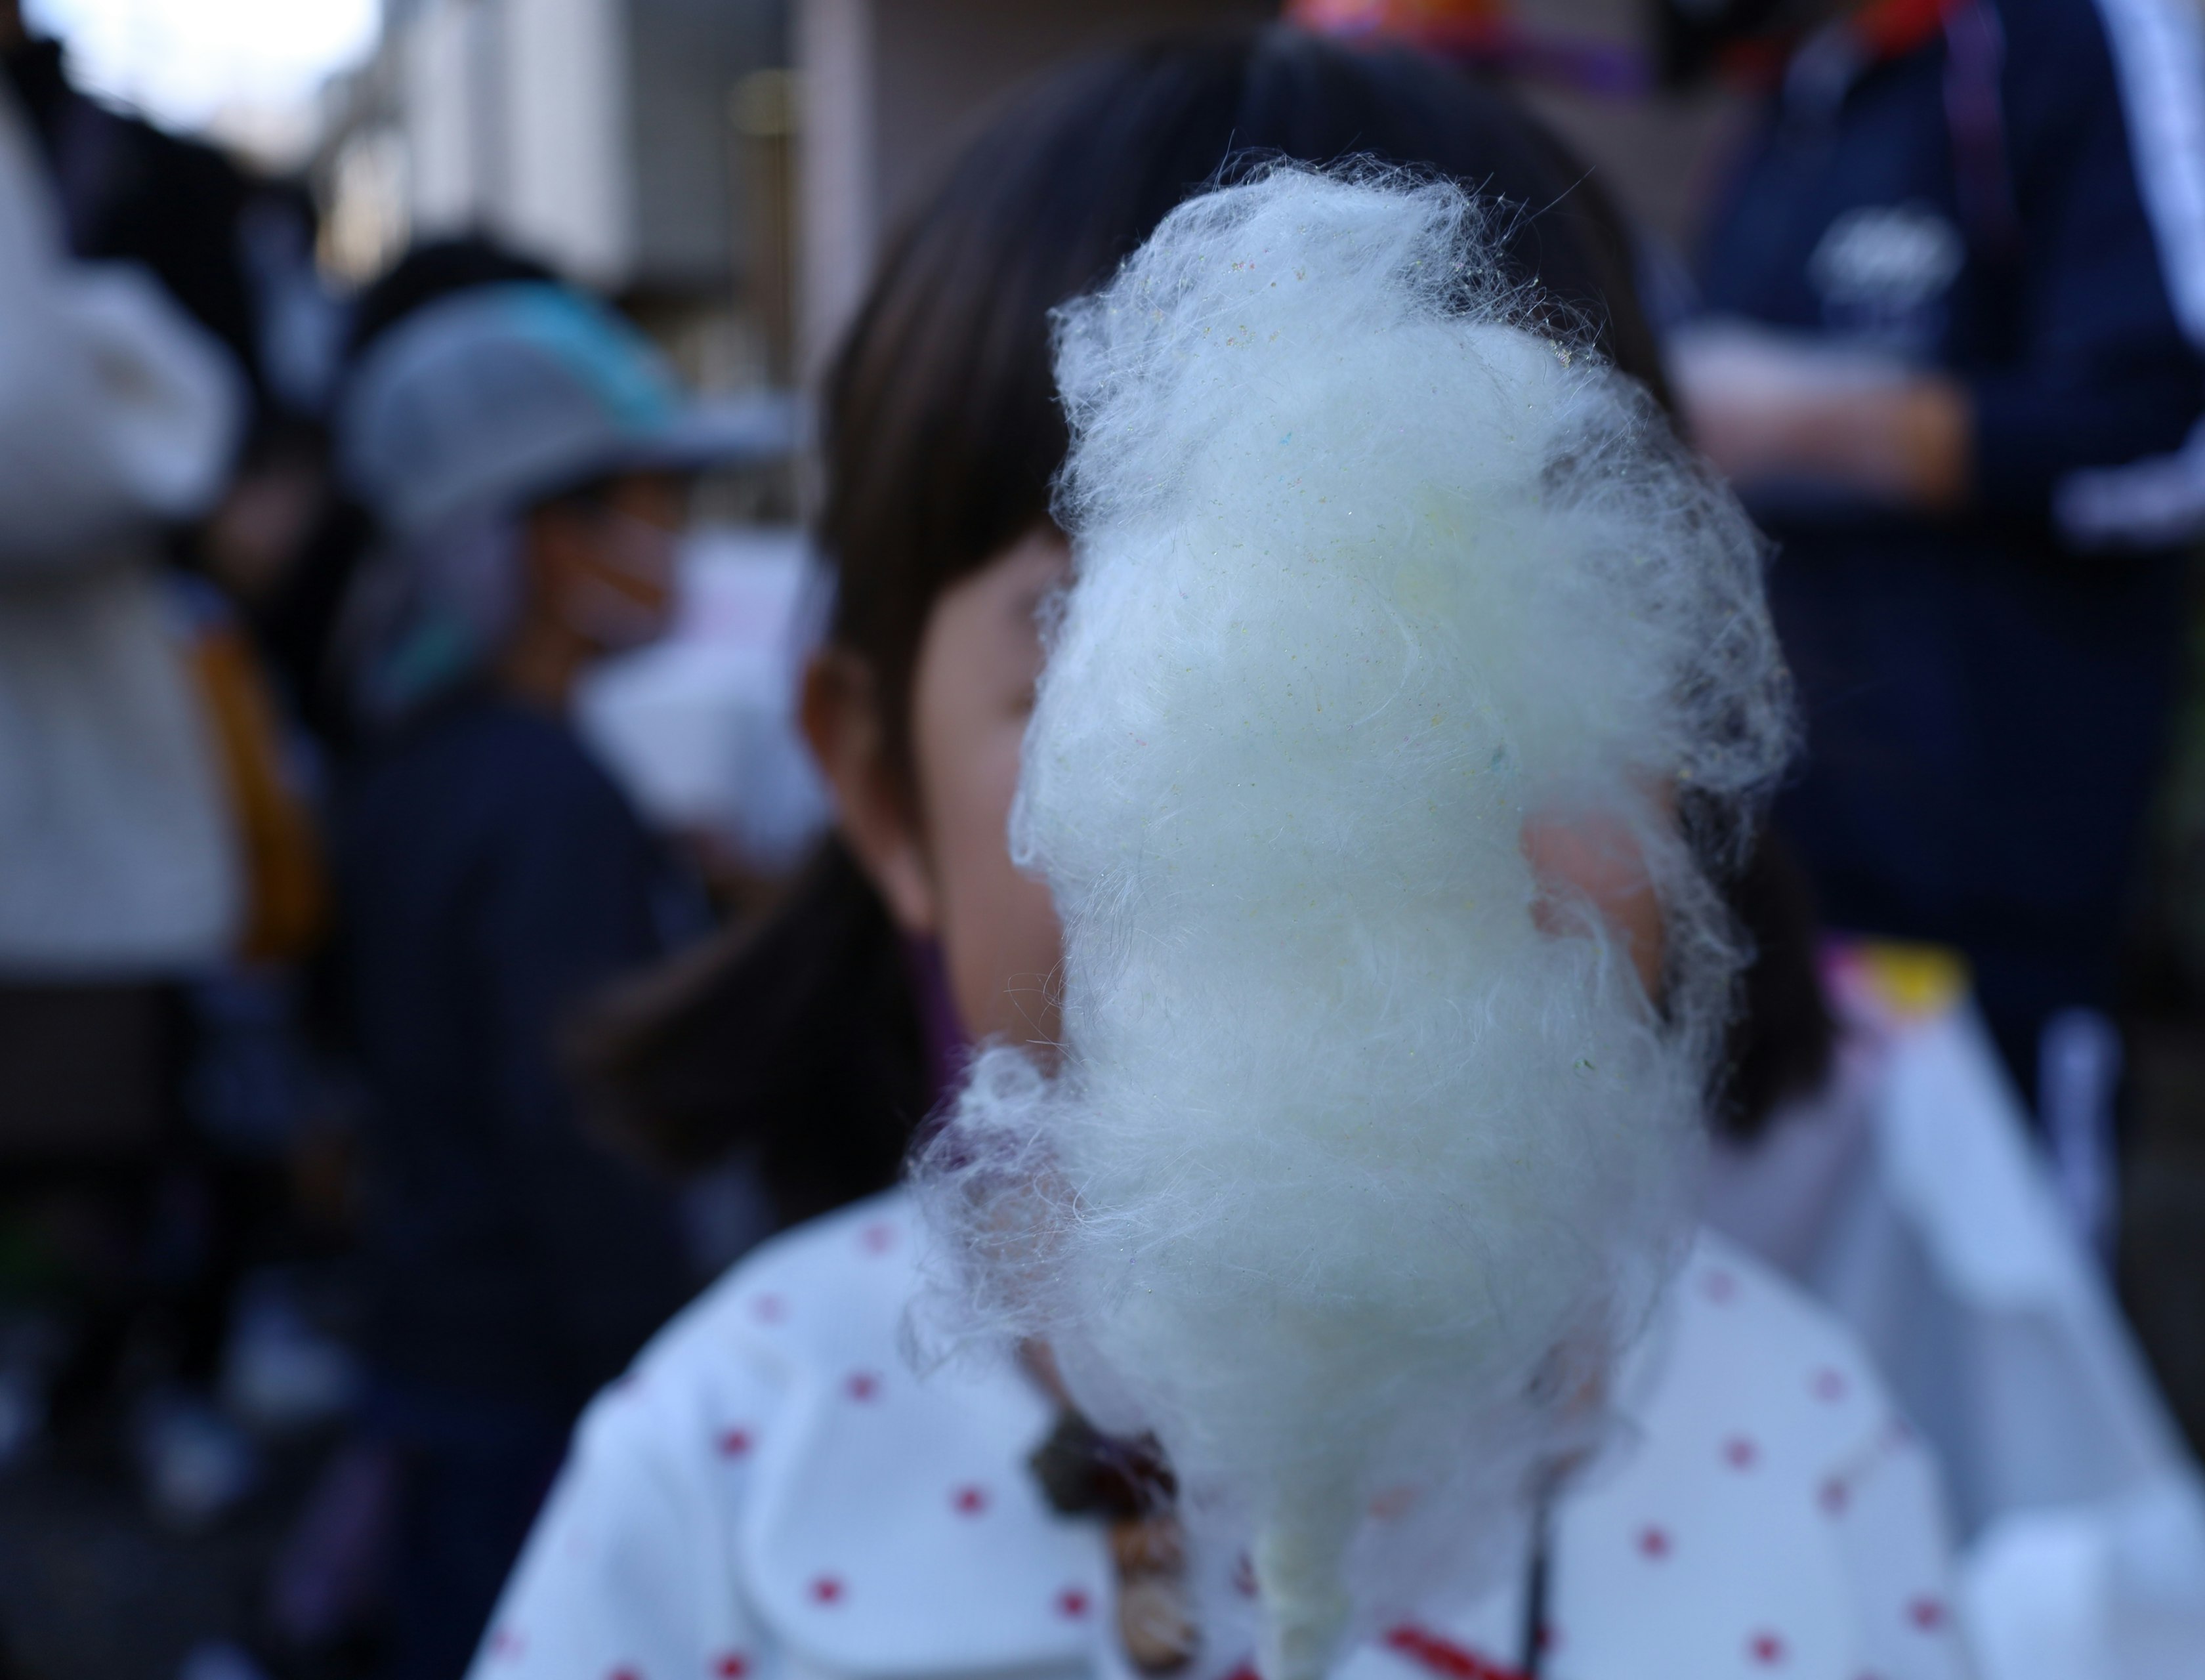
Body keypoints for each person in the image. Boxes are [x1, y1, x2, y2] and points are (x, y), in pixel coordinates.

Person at [475, 30, 1972, 1680]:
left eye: (1499, 681)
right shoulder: (729, 1468)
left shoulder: (1811, 1461)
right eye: (1098, 658)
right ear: (885, 798)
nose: (1371, 827)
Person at [1662, 0, 2205, 1243]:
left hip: (1982, 934)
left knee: (2003, 1390)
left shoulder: (2077, 40)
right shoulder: (1805, 82)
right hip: (1773, 923)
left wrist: (1825, 422)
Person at [327, 281, 786, 1680]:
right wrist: (661, 1370)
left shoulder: (424, 763)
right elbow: (575, 1124)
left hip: (438, 1341)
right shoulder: (549, 794)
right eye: (649, 502)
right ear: (542, 536)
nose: (675, 544)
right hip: (539, 1382)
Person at [0, 79, 245, 1458]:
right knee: (119, 1132)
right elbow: (38, 444)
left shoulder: (115, 149)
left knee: (132, 1130)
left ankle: (123, 1375)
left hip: (73, 805)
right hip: (74, 801)